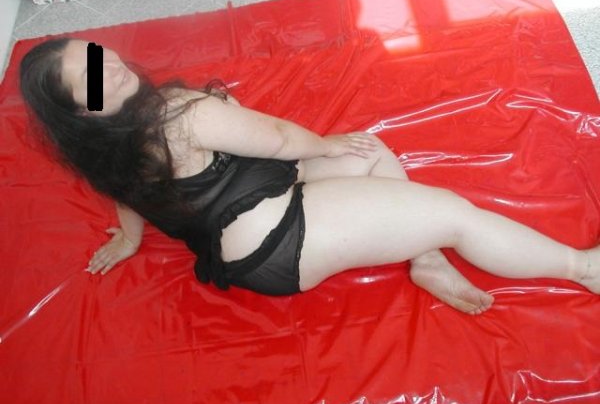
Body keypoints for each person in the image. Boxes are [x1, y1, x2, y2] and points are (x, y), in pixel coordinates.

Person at [19, 38, 600, 316]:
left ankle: (424, 259)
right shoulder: (179, 113)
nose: (109, 65)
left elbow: (126, 196)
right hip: (279, 240)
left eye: (95, 52)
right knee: (453, 214)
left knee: (370, 149)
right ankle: (583, 268)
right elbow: (275, 138)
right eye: (90, 77)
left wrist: (129, 240)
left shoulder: (96, 146)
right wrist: (324, 145)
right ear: (82, 108)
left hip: (249, 221)